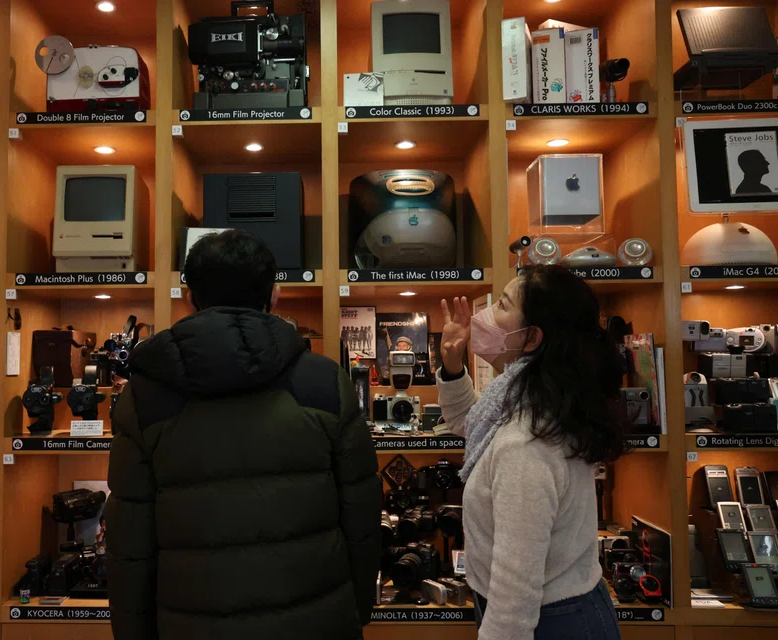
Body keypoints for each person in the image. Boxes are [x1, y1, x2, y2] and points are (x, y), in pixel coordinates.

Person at [105, 229, 382, 640]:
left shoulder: (142, 398)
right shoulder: (325, 383)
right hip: (318, 621)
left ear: (188, 296)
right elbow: (362, 517)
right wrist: (356, 609)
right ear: (274, 295)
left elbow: (129, 543)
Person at [437, 265, 626, 640]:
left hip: (551, 620)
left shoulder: (524, 444)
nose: (484, 316)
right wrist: (452, 364)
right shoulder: (537, 400)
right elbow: (471, 423)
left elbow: (515, 594)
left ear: (531, 337)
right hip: (564, 607)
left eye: (503, 306)